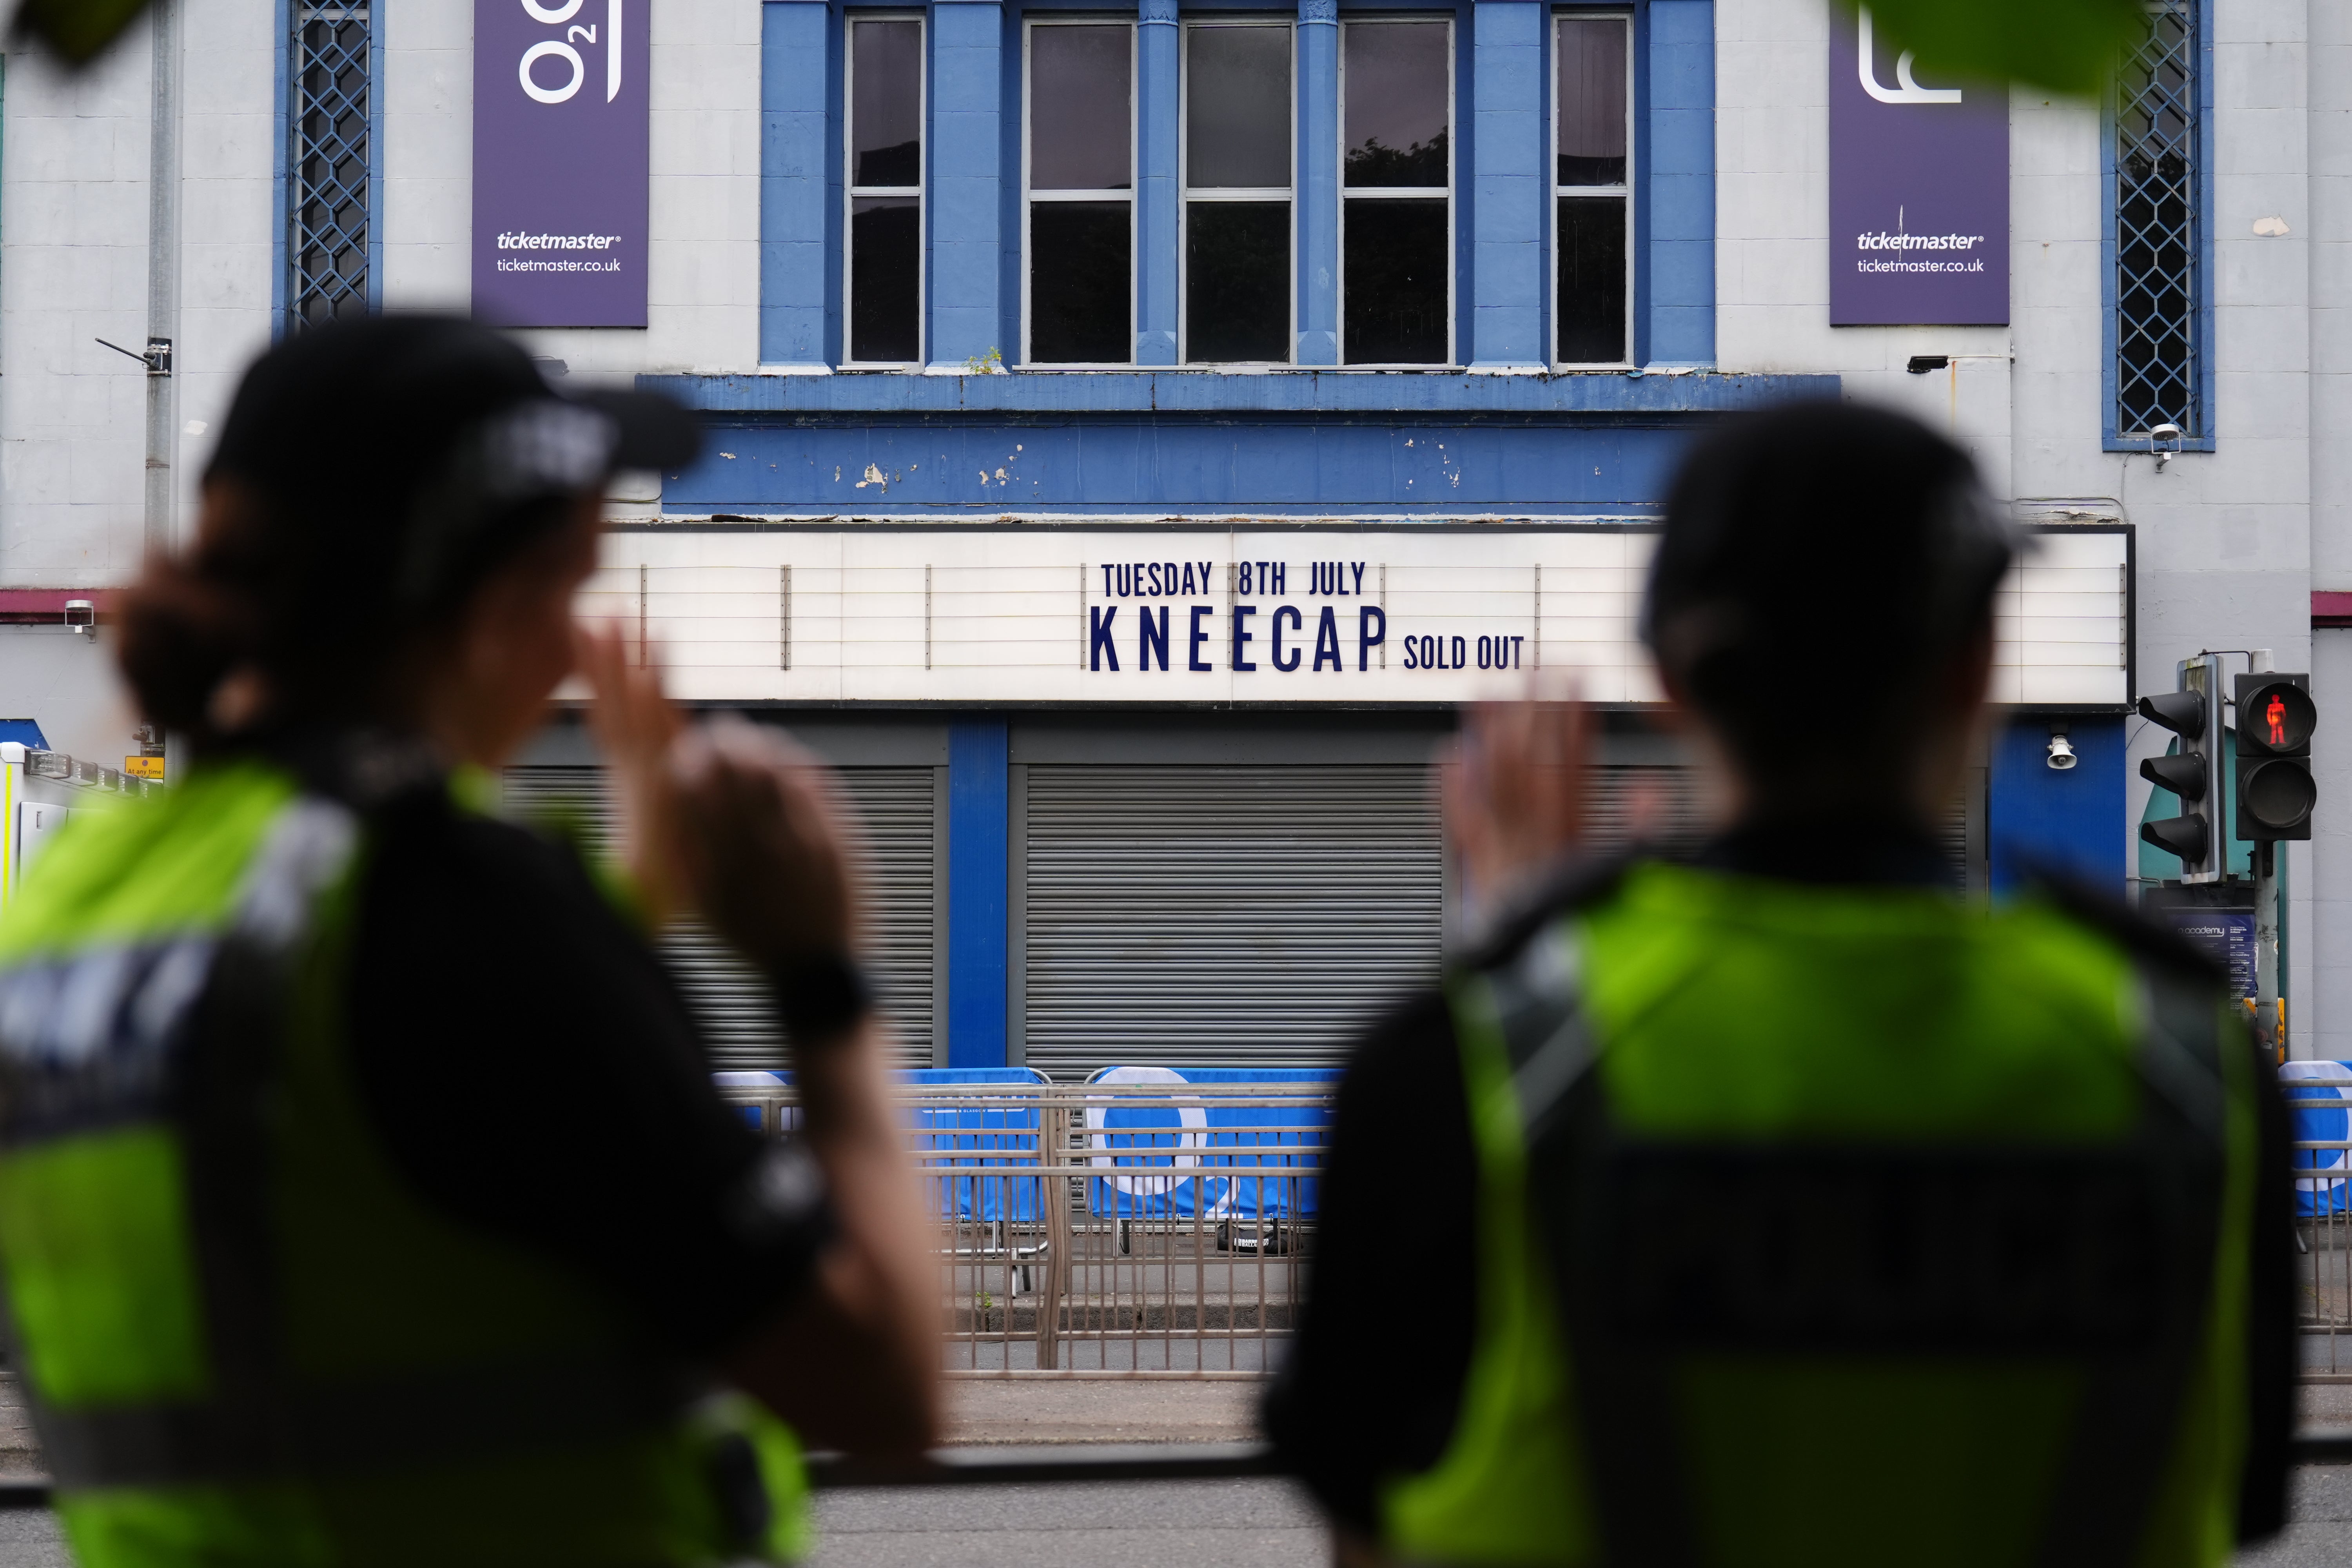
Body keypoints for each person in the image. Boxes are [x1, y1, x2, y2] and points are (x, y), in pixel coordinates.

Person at [1265, 401, 2294, 1568]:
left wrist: (1517, 964)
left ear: (1667, 683)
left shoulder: (1464, 1073)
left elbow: (1372, 1537)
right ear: (1975, 672)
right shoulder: (2185, 1070)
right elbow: (2236, 1496)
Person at [0, 317, 938, 1566]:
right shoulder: (454, 904)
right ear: (496, 604)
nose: (568, 646)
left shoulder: (62, 915)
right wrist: (819, 977)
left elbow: (360, 1170)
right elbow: (883, 1388)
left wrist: (623, 907)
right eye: (569, 587)